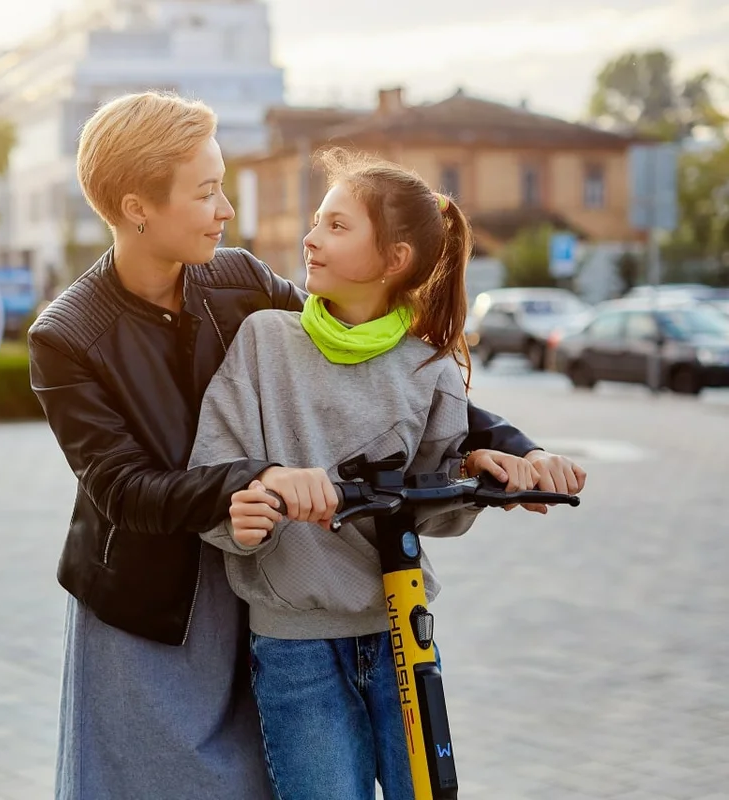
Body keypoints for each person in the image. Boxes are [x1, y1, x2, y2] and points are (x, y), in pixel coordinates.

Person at [27, 91, 584, 800]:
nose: (227, 210)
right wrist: (264, 478)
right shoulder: (66, 336)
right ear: (139, 208)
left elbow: (378, 375)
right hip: (152, 604)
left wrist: (510, 447)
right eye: (206, 192)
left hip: (268, 583)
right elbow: (123, 489)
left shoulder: (240, 282)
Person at [189, 150, 584, 799]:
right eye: (317, 222)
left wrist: (479, 471)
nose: (311, 238)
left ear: (393, 259)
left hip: (403, 629)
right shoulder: (264, 341)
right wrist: (246, 509)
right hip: (298, 647)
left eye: (337, 226)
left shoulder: (426, 366)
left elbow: (437, 504)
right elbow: (214, 474)